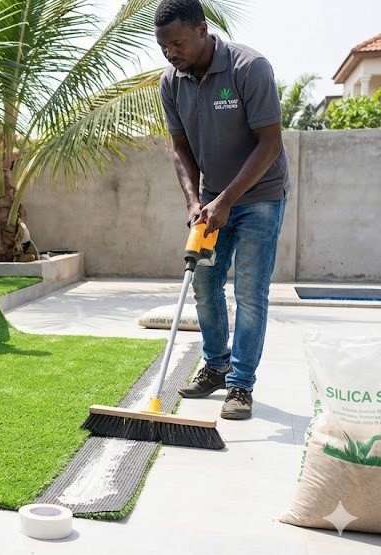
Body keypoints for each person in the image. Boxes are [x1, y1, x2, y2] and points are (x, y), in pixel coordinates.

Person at [155, 0, 288, 420]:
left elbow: (270, 142)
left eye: (177, 43)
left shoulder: (249, 68)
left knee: (250, 293)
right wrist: (196, 201)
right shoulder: (171, 82)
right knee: (204, 286)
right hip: (211, 201)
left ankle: (241, 385)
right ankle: (216, 366)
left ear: (201, 28)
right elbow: (179, 147)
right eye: (163, 48)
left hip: (260, 198)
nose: (171, 53)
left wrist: (228, 199)